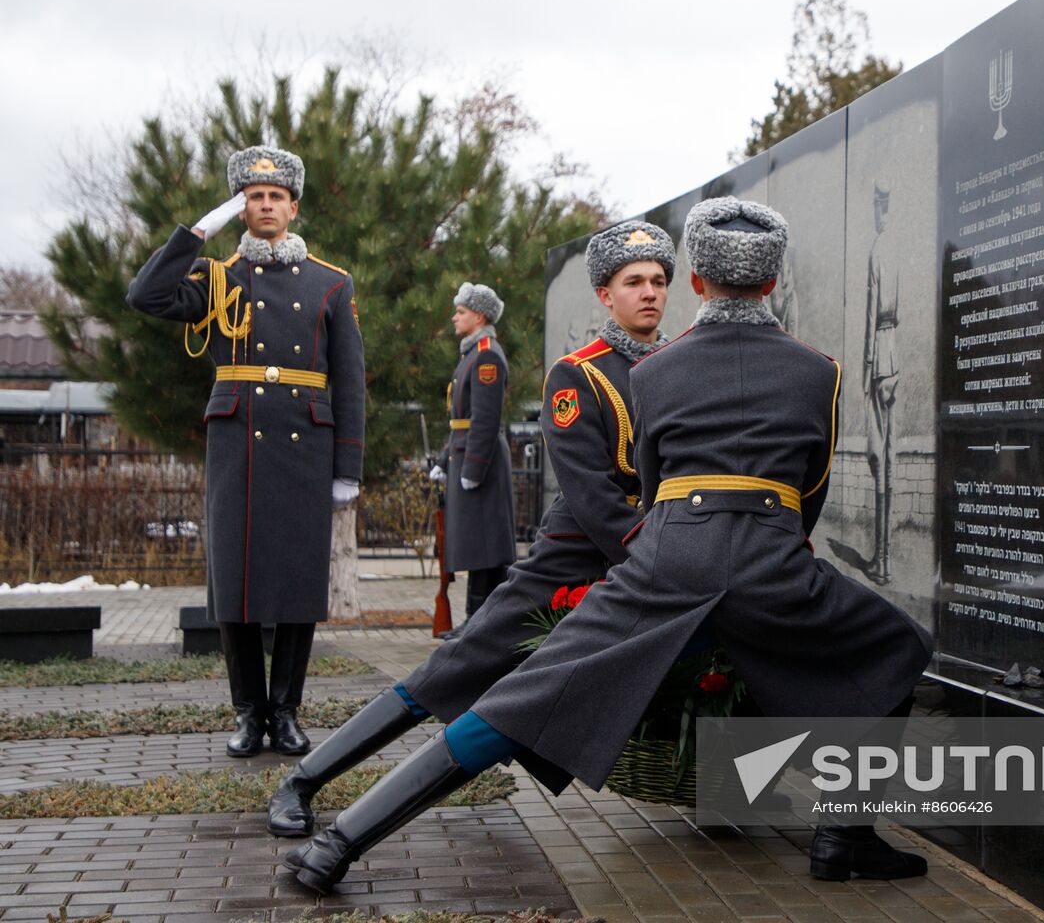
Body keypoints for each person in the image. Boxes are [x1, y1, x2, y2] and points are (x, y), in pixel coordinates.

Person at [284, 197, 934, 894]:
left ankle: (338, 846)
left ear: (694, 284)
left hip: (665, 557)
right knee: (899, 647)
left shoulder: (654, 374)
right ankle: (844, 834)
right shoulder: (822, 372)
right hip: (772, 560)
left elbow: (653, 488)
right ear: (772, 282)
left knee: (517, 700)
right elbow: (810, 494)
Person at [267, 220, 675, 838]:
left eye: (660, 281)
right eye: (634, 281)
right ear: (605, 295)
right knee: (451, 671)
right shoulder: (578, 374)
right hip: (576, 559)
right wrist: (655, 553)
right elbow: (592, 496)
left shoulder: (681, 367)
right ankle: (302, 781)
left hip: (648, 562)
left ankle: (772, 803)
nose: (650, 292)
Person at [127, 146, 364, 757]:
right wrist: (194, 232)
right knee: (234, 587)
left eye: (275, 197)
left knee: (294, 585)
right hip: (239, 445)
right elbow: (145, 296)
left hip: (303, 445)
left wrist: (348, 467)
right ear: (242, 208)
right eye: (253, 197)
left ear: (292, 206)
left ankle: (285, 712)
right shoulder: (216, 276)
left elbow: (350, 379)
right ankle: (247, 715)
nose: (265, 206)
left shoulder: (330, 283)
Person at [430, 283, 515, 624]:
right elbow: (461, 420)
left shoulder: (487, 356)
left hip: (482, 463)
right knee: (479, 548)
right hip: (466, 456)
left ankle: (477, 622)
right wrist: (443, 461)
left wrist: (472, 469)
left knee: (485, 549)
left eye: (461, 312)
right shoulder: (472, 353)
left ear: (478, 316)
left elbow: (484, 419)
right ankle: (476, 622)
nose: (454, 317)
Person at [862, 178, 899, 583]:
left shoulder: (878, 248)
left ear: (880, 206)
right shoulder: (899, 246)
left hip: (881, 359)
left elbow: (873, 309)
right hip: (898, 354)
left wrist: (868, 363)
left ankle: (882, 561)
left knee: (879, 459)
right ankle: (884, 557)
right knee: (889, 459)